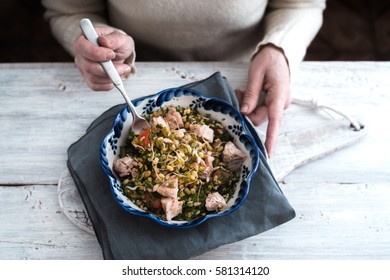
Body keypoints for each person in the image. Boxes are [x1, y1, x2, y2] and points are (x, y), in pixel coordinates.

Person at [42, 0, 326, 157]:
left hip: (242, 75)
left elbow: (302, 4)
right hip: (132, 73)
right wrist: (94, 44)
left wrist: (280, 48)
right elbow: (69, 11)